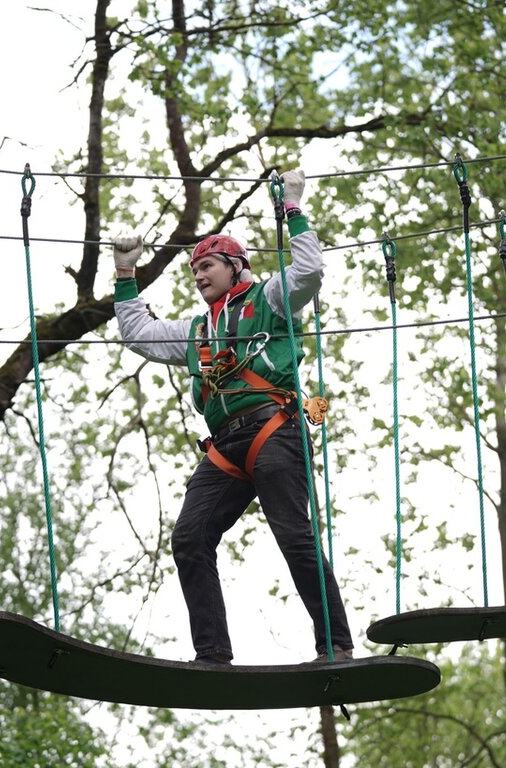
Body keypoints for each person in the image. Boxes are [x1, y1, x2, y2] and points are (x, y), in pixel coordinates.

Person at [111, 169, 354, 664]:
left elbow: (308, 270)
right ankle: (213, 654)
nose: (199, 275)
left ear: (236, 266)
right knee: (189, 536)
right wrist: (124, 275)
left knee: (292, 533)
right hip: (225, 446)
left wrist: (292, 208)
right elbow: (139, 334)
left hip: (274, 430)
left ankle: (336, 646)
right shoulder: (199, 329)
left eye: (208, 266)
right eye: (195, 271)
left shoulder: (269, 300)